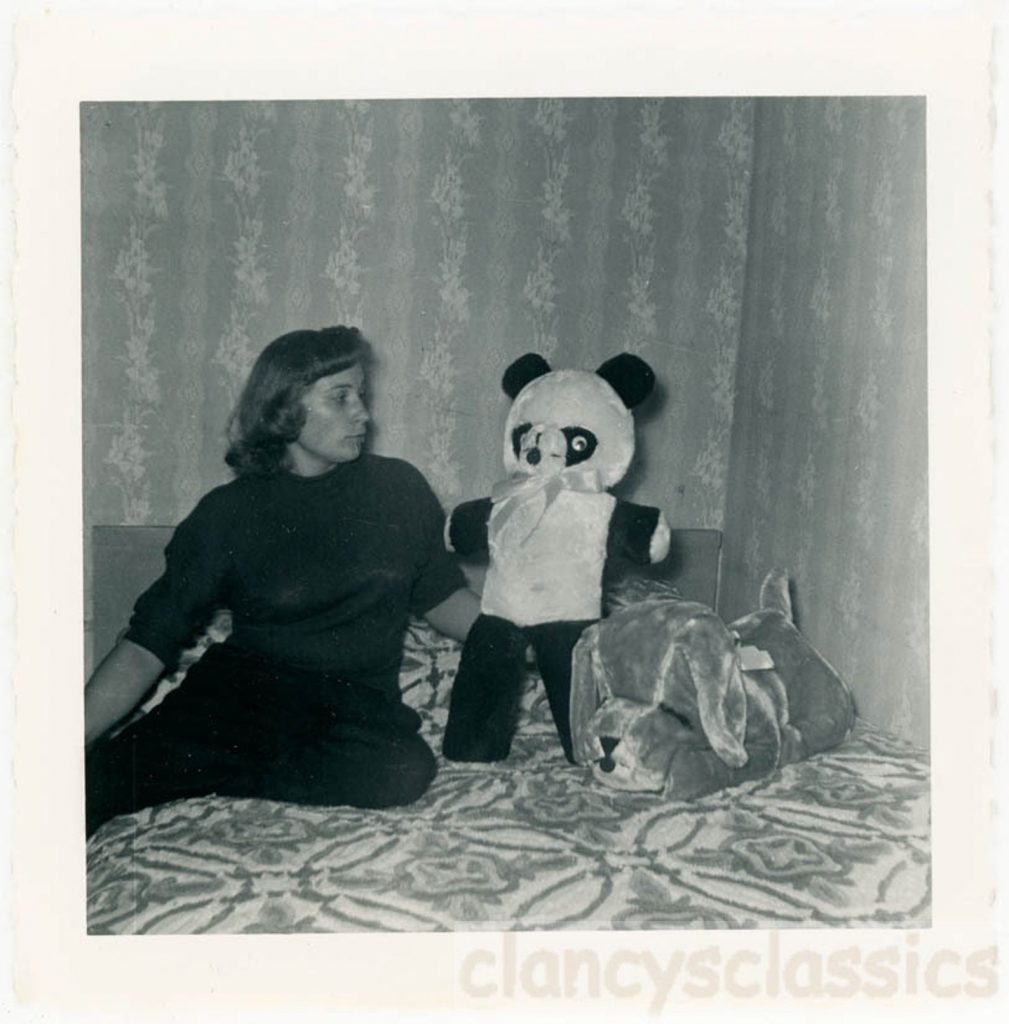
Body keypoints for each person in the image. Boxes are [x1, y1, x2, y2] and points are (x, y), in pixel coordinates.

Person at [85, 326, 479, 836]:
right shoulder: (227, 514)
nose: (362, 412)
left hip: (353, 709)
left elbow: (444, 596)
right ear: (285, 408)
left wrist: (536, 639)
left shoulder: (398, 488)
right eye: (340, 397)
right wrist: (67, 739)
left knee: (405, 771)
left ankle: (213, 771)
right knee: (89, 789)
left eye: (361, 394)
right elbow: (147, 643)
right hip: (239, 701)